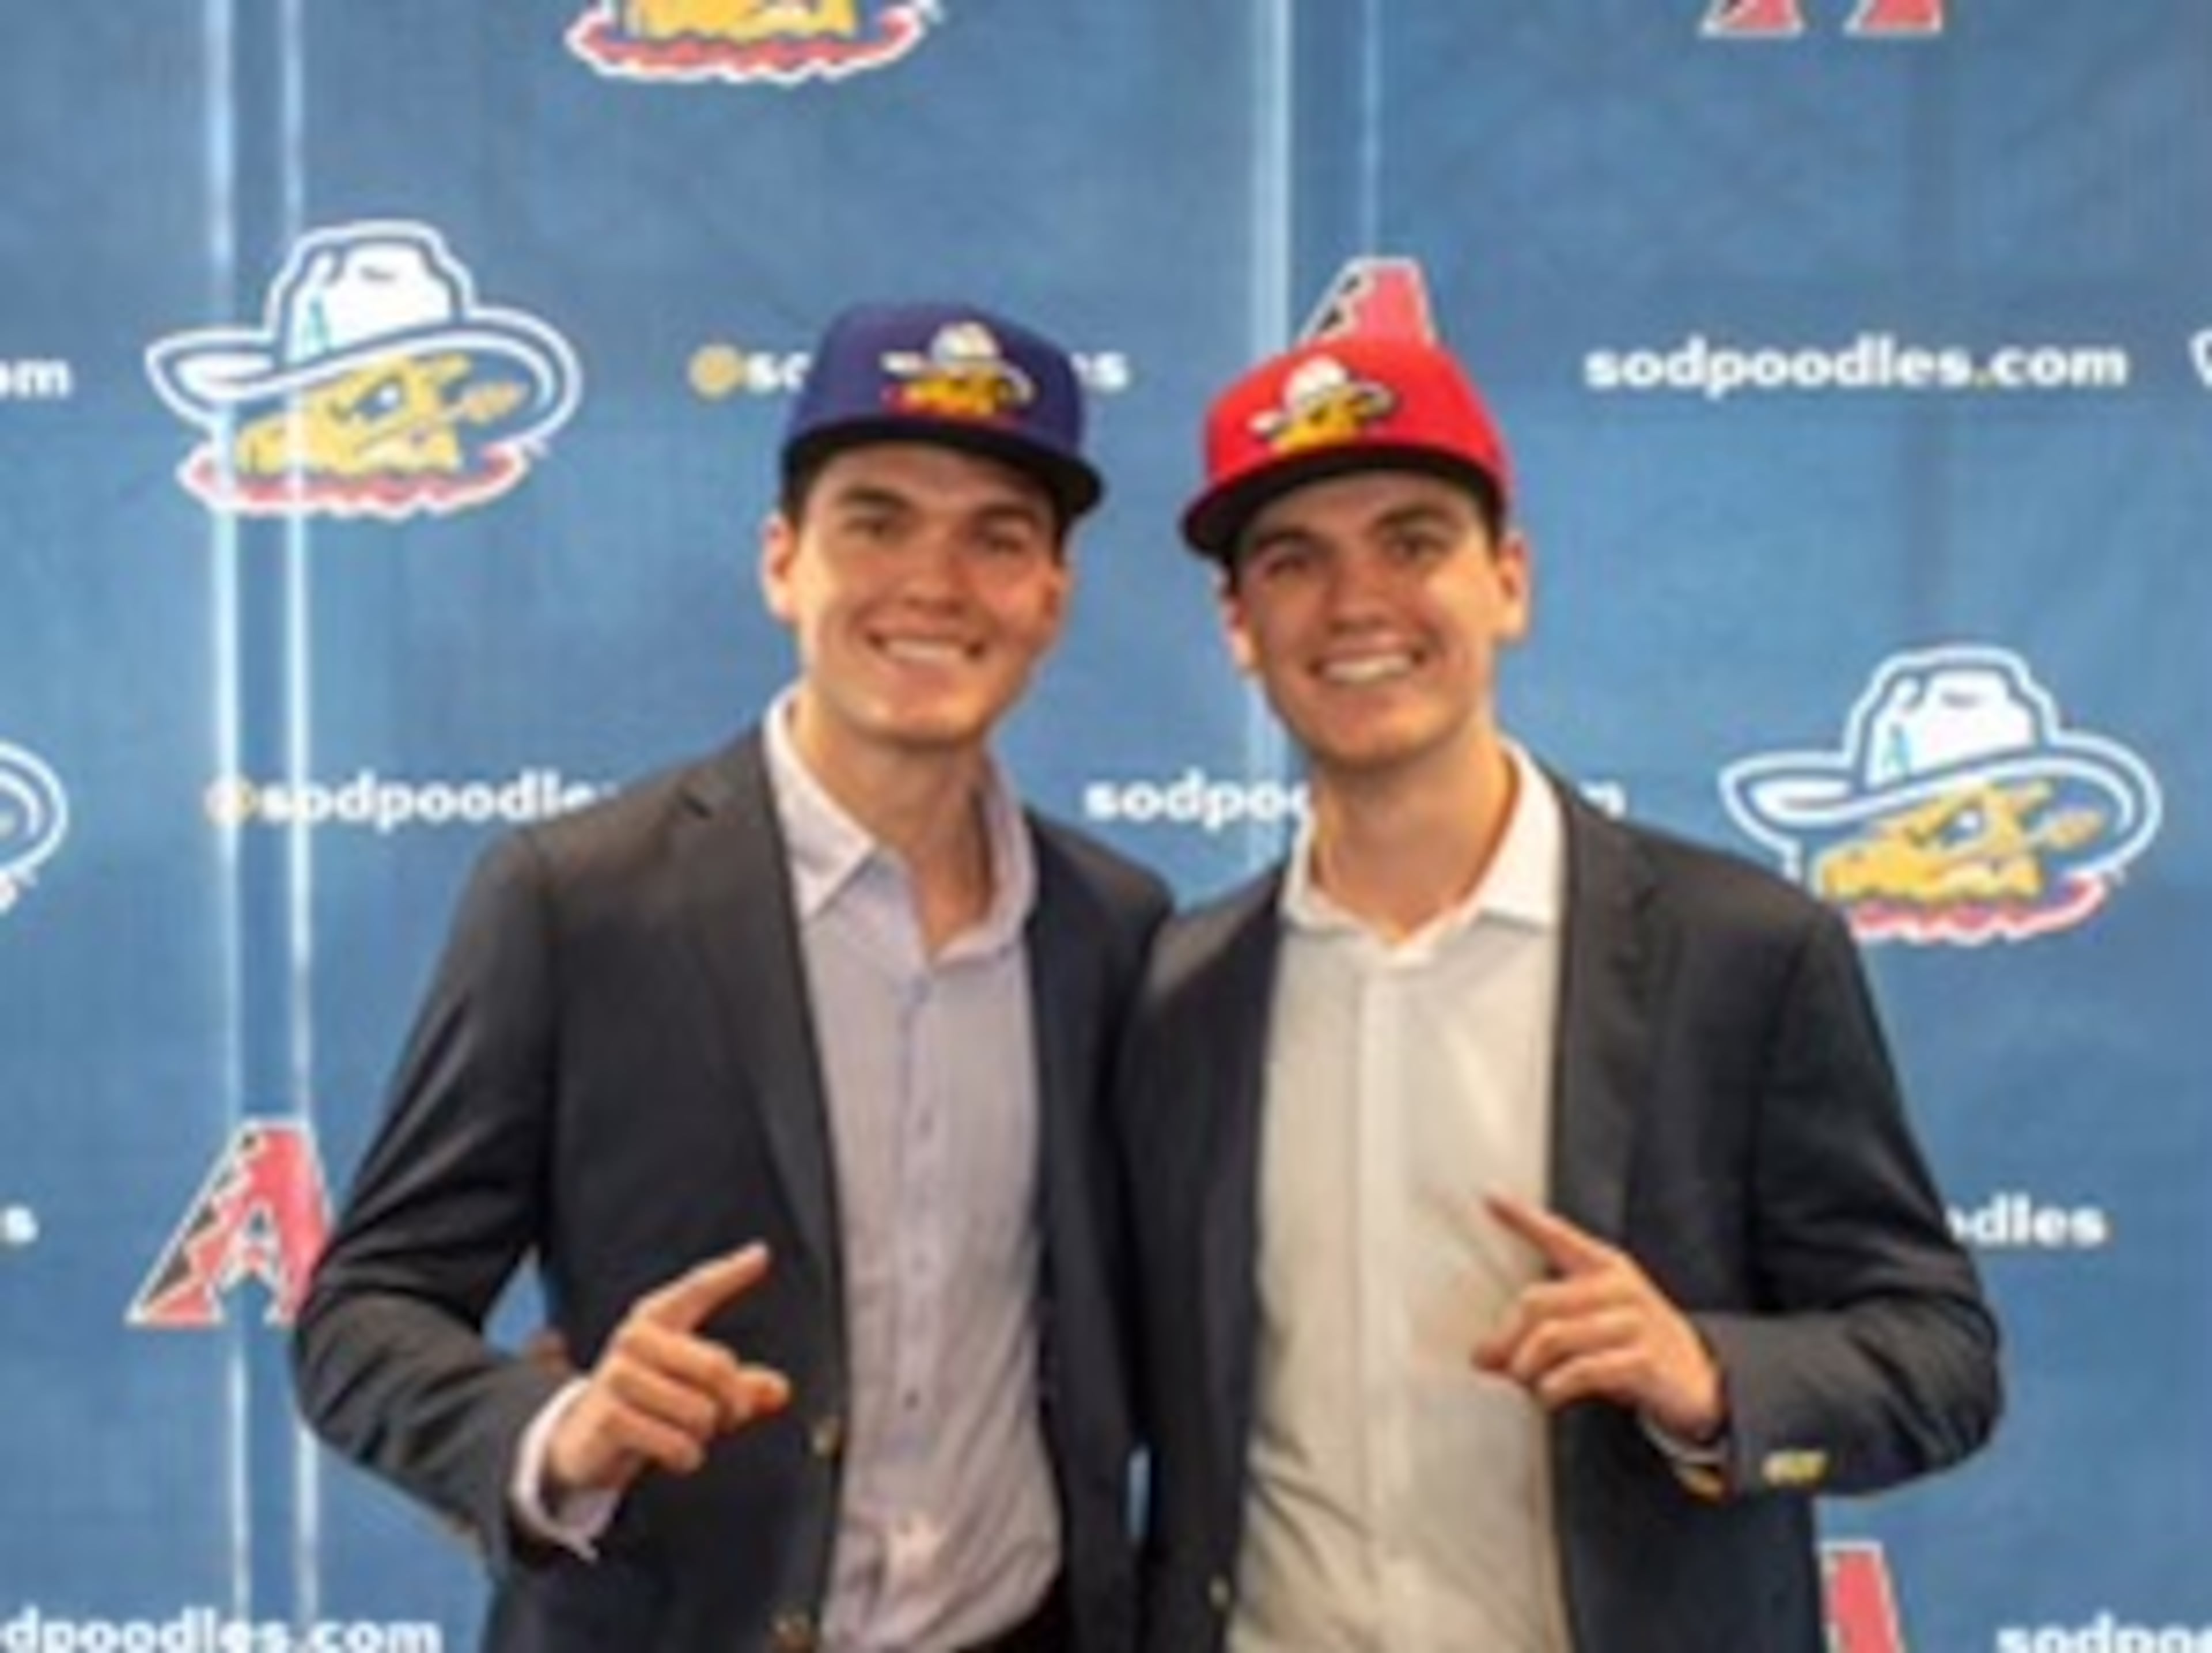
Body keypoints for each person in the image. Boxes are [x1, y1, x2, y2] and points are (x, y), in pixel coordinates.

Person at [294, 301, 1171, 1653]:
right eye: (876, 521)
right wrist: (557, 1433)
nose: (934, 583)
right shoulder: (578, 898)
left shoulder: (1113, 926)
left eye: (997, 538)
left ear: (1052, 595)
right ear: (782, 563)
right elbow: (362, 1315)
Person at [1115, 331, 2001, 1652]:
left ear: (1508, 583)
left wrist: (1710, 1379)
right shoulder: (1180, 992)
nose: (1358, 601)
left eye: (1413, 542)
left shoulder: (1742, 953)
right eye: (1294, 560)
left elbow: (1941, 1357)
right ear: (1240, 626)